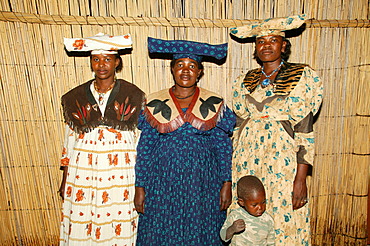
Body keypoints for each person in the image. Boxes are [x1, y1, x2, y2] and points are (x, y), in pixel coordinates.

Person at [229, 15, 323, 245]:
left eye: (273, 40)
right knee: (248, 215)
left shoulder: (301, 76)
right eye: (261, 41)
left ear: (283, 45)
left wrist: (301, 179)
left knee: (283, 214)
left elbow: (304, 130)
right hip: (248, 158)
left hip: (283, 160)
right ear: (255, 47)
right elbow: (239, 124)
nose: (267, 46)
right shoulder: (245, 80)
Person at [134, 37, 236, 245]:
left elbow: (223, 147)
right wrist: (140, 186)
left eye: (192, 66)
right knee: (161, 230)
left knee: (201, 230)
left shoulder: (214, 103)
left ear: (199, 72)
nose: (186, 70)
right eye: (180, 65)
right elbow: (145, 149)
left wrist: (226, 182)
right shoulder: (155, 103)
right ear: (172, 70)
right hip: (162, 183)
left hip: (203, 185)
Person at [59, 33, 145, 245]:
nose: (101, 65)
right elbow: (69, 141)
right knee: (83, 216)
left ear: (117, 62)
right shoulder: (75, 96)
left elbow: (140, 141)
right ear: (90, 63)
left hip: (120, 174)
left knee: (118, 216)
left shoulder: (133, 95)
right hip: (83, 173)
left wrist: (140, 181)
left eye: (107, 59)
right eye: (96, 59)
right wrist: (65, 179)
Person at [220, 175, 275, 245]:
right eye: (254, 205)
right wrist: (232, 229)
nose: (260, 207)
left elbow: (271, 243)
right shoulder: (235, 215)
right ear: (241, 202)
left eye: (263, 202)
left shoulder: (268, 219)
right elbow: (223, 237)